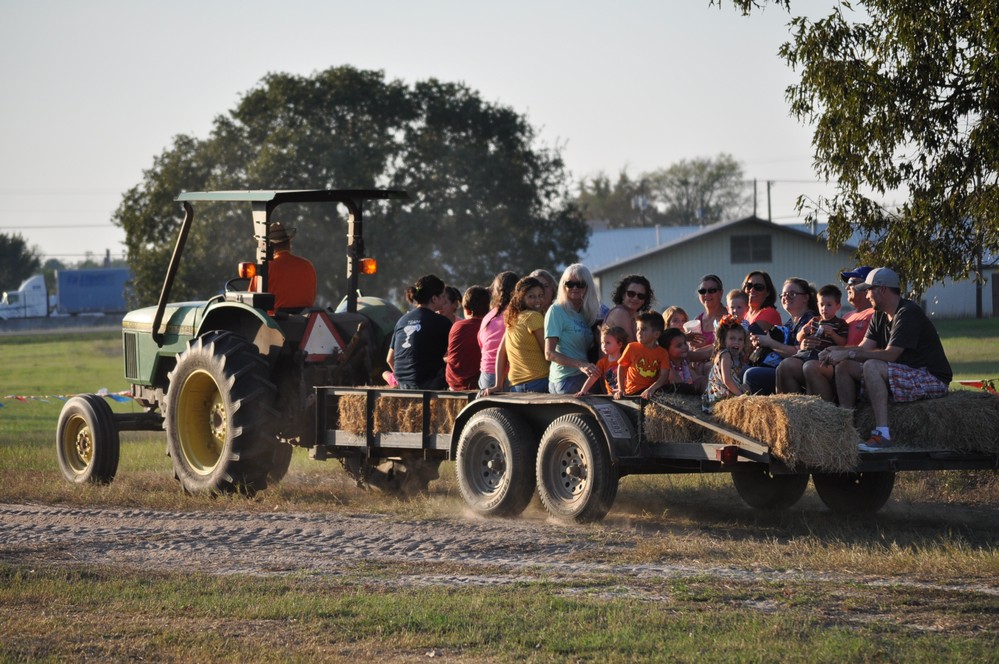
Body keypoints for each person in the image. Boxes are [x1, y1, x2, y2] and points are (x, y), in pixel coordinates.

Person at [817, 268, 952, 451]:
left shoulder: (908, 312)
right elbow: (863, 349)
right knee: (845, 366)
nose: (866, 294)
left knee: (872, 366)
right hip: (904, 372)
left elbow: (890, 355)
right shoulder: (879, 314)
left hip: (930, 377)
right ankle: (847, 428)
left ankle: (882, 434)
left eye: (868, 289)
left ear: (882, 289)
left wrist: (847, 353)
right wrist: (835, 350)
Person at [801, 267, 877, 402]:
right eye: (846, 283)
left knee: (811, 367)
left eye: (852, 282)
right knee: (786, 366)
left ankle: (829, 414)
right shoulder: (847, 316)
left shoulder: (875, 315)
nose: (848, 287)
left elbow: (868, 348)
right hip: (830, 360)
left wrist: (836, 351)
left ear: (867, 287)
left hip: (850, 364)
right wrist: (804, 342)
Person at [743, 277, 818, 395]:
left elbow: (800, 354)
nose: (786, 297)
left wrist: (769, 342)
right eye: (783, 295)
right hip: (781, 368)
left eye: (792, 294)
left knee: (751, 374)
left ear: (806, 297)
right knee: (743, 369)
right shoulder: (790, 322)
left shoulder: (811, 321)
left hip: (798, 372)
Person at [776, 284, 849, 394]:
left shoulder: (840, 324)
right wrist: (803, 332)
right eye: (821, 305)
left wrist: (833, 334)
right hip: (806, 354)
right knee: (783, 365)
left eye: (829, 305)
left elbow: (843, 342)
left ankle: (817, 403)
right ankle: (793, 401)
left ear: (837, 306)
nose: (824, 308)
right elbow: (799, 338)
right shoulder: (814, 320)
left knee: (808, 367)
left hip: (822, 356)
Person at [387, 274, 453, 390]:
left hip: (403, 385)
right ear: (434, 299)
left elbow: (389, 359)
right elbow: (455, 356)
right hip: (429, 384)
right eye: (443, 296)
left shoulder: (402, 320)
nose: (445, 299)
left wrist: (406, 382)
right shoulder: (442, 323)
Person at [545, 264, 601, 394]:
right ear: (563, 286)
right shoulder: (557, 310)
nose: (575, 288)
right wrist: (581, 365)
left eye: (580, 284)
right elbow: (549, 354)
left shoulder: (587, 312)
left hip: (583, 376)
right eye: (570, 284)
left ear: (588, 286)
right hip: (565, 380)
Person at [488, 276, 551, 393]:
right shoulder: (533, 316)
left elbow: (501, 353)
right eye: (531, 296)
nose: (538, 300)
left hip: (516, 387)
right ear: (521, 298)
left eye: (541, 295)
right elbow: (548, 352)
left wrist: (498, 384)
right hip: (539, 382)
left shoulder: (513, 319)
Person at [250, 221, 317, 313]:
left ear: (268, 246)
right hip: (305, 321)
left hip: (275, 324)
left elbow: (251, 301)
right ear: (289, 243)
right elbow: (312, 297)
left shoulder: (265, 268)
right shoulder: (308, 265)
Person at [615, 312, 671, 400]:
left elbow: (664, 375)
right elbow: (621, 367)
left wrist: (651, 389)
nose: (639, 333)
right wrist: (621, 389)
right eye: (638, 329)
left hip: (652, 391)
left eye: (643, 329)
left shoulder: (662, 353)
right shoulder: (632, 347)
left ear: (656, 334)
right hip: (634, 392)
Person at [478, 271, 519, 391]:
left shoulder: (488, 316)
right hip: (507, 375)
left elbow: (482, 345)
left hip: (486, 375)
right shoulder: (516, 315)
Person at [445, 285, 490, 391]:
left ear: (467, 311)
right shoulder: (489, 327)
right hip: (478, 386)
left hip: (453, 384)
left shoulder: (457, 326)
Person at [702, 315, 748, 412]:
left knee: (747, 386)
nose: (736, 342)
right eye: (732, 338)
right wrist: (742, 396)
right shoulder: (725, 355)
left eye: (740, 339)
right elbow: (727, 380)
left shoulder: (735, 356)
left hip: (724, 391)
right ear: (724, 341)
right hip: (720, 397)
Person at [576, 325, 627, 396]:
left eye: (608, 343)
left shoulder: (626, 359)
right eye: (602, 343)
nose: (604, 346)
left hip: (627, 394)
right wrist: (583, 391)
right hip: (611, 396)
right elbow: (593, 377)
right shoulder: (602, 362)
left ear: (619, 344)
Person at [603, 274, 655, 343]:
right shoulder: (619, 313)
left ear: (645, 300)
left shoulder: (637, 316)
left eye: (640, 296)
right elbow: (631, 345)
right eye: (631, 294)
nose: (635, 298)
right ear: (623, 294)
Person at [659, 327, 706, 394]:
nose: (684, 347)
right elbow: (680, 387)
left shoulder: (684, 358)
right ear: (666, 350)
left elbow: (706, 354)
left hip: (689, 391)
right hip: (681, 397)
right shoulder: (668, 368)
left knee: (703, 377)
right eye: (679, 346)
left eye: (685, 343)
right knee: (701, 379)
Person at [693, 274, 726, 347]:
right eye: (702, 291)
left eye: (712, 290)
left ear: (721, 293)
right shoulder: (697, 321)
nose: (707, 294)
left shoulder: (730, 318)